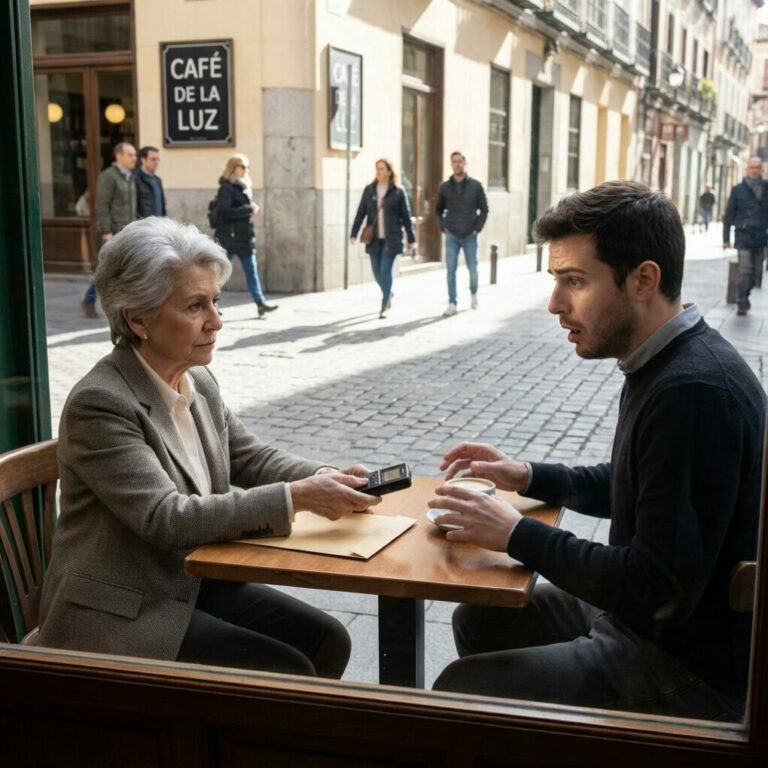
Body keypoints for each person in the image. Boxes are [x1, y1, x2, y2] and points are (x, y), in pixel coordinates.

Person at [429, 181, 765, 721]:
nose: (555, 304)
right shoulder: (665, 358)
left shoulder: (693, 391)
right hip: (652, 625)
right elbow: (635, 484)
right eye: (556, 281)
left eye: (575, 281)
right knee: (481, 617)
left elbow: (654, 587)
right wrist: (528, 475)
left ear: (643, 280)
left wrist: (516, 534)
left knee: (459, 691)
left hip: (688, 664)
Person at [39, 216, 381, 678]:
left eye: (215, 301)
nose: (216, 322)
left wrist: (326, 477)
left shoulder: (196, 379)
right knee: (287, 668)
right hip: (120, 610)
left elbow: (249, 456)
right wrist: (299, 497)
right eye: (195, 306)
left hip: (186, 582)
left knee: (327, 639)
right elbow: (167, 518)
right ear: (137, 318)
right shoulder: (101, 403)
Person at [350, 158, 416, 318]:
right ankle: (388, 292)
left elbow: (406, 216)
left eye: (382, 168)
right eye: (377, 168)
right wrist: (354, 233)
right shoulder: (369, 190)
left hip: (391, 238)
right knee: (376, 271)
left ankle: (385, 304)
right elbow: (361, 212)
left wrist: (411, 238)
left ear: (389, 172)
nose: (378, 171)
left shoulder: (398, 192)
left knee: (385, 270)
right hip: (374, 239)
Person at [213, 154, 277, 318]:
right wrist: (248, 209)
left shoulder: (244, 185)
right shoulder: (226, 187)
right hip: (229, 237)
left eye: (247, 167)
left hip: (244, 236)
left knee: (252, 271)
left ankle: (260, 303)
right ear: (233, 167)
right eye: (243, 167)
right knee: (220, 273)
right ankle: (212, 303)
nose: (246, 170)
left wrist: (249, 209)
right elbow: (225, 212)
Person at [81, 142, 137, 319]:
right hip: (113, 231)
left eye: (135, 155)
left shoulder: (129, 176)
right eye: (130, 155)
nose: (134, 158)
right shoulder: (108, 176)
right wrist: (106, 231)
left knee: (126, 269)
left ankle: (125, 305)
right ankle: (88, 301)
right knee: (105, 270)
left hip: (127, 230)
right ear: (118, 156)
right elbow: (102, 205)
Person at [435, 152, 488, 316]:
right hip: (452, 234)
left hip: (470, 234)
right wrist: (443, 227)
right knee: (451, 270)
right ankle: (452, 303)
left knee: (472, 268)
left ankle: (474, 294)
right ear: (451, 165)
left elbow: (484, 209)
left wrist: (477, 228)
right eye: (454, 162)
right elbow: (438, 210)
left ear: (465, 163)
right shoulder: (444, 187)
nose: (457, 164)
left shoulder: (476, 186)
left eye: (460, 161)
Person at [723, 156, 768, 315]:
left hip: (761, 237)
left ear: (761, 169)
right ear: (747, 169)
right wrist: (726, 238)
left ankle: (745, 294)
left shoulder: (766, 188)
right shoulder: (738, 189)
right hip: (743, 236)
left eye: (757, 167)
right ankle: (741, 301)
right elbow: (729, 215)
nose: (754, 170)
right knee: (745, 270)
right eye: (751, 167)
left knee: (756, 273)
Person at [135, 145, 167, 218]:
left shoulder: (158, 180)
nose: (156, 162)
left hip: (159, 222)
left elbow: (162, 206)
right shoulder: (135, 178)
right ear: (143, 160)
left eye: (157, 159)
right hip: (144, 222)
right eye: (153, 159)